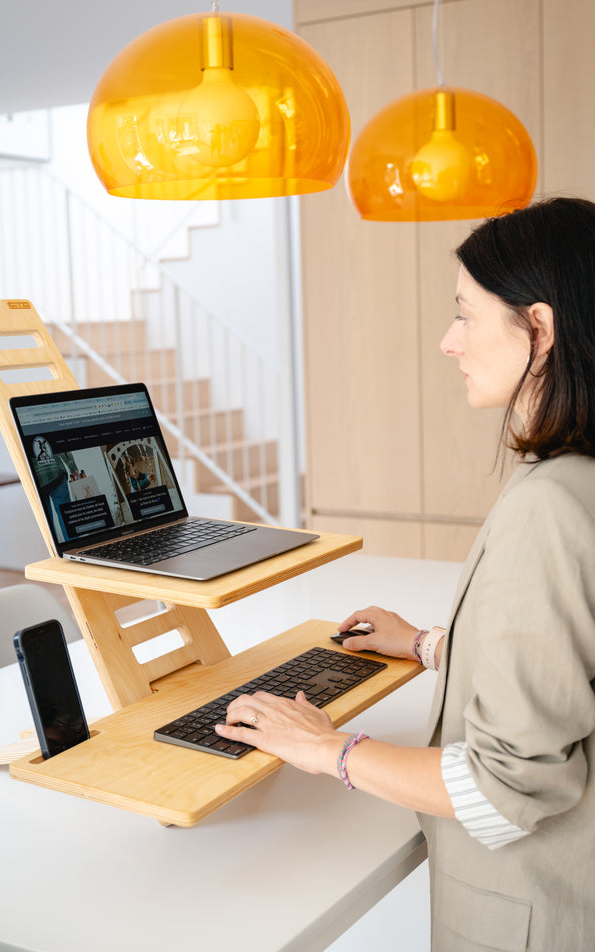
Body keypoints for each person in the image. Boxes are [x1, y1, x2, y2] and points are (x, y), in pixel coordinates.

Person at [215, 197, 595, 951]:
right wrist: (427, 646)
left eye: (465, 316)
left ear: (540, 330)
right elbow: (567, 665)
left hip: (532, 915)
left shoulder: (548, 505)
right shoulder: (575, 479)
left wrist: (329, 749)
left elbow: (508, 785)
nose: (448, 342)